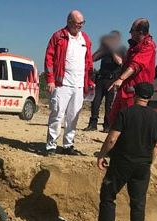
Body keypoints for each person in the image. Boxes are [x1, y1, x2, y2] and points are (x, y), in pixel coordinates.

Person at [88, 82, 157, 221]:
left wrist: (101, 155)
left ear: (135, 94)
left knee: (108, 195)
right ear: (150, 97)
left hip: (122, 162)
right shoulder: (156, 117)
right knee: (138, 203)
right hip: (143, 165)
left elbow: (112, 138)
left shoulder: (126, 113)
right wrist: (150, 163)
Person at [44, 10, 94, 156]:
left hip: (78, 85)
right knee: (57, 114)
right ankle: (51, 146)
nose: (80, 26)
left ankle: (68, 145)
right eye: (78, 23)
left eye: (82, 23)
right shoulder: (58, 36)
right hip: (61, 84)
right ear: (69, 22)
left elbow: (89, 62)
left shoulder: (85, 39)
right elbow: (49, 59)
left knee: (73, 116)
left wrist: (89, 80)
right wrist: (50, 80)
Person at [108, 19, 156, 126]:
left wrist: (121, 79)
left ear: (140, 32)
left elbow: (136, 65)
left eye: (131, 30)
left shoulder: (148, 46)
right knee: (114, 119)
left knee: (129, 122)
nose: (130, 32)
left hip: (135, 92)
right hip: (125, 89)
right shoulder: (134, 47)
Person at [84, 31, 126, 132]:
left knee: (109, 105)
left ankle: (107, 126)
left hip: (112, 81)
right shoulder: (105, 49)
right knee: (95, 102)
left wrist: (112, 50)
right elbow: (93, 58)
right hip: (101, 79)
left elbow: (119, 61)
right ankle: (92, 124)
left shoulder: (121, 49)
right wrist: (102, 49)